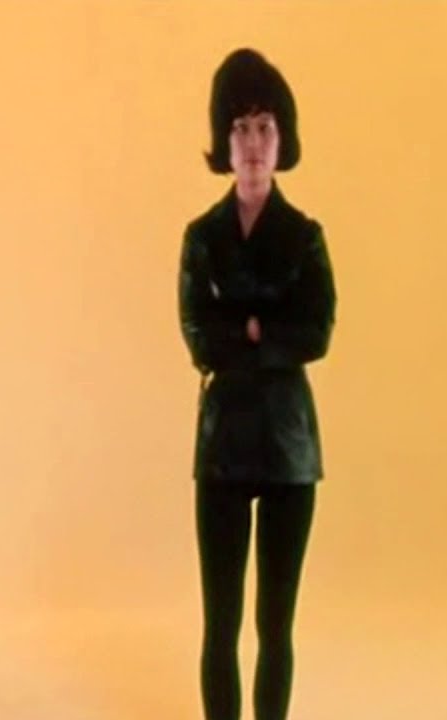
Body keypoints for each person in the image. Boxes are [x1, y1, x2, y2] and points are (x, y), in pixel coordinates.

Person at [178, 48, 337, 720]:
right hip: (222, 447)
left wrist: (248, 332)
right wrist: (266, 334)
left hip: (289, 449)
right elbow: (198, 333)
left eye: (264, 127)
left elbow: (317, 332)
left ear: (282, 138)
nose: (251, 143)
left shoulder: (305, 236)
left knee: (275, 624)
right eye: (239, 127)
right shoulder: (202, 236)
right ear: (223, 139)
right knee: (220, 622)